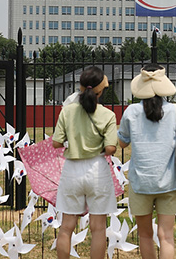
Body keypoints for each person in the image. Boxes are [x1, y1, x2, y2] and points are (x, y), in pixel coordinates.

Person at [117, 64, 176, 259]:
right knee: (166, 236)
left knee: (145, 235)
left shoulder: (131, 112)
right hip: (168, 181)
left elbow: (122, 143)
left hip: (140, 182)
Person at [52, 66, 118, 259]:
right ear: (100, 91)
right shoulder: (108, 115)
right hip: (97, 170)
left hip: (72, 169)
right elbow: (111, 148)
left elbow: (56, 142)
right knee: (98, 228)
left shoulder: (68, 111)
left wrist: (71, 143)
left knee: (66, 227)